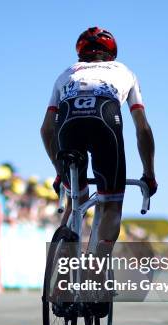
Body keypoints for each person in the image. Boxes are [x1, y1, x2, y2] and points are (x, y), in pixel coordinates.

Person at [40, 26, 157, 267]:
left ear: (80, 53)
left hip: (68, 122)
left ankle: (62, 265)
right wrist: (149, 174)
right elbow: (143, 129)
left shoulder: (66, 73)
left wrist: (60, 171)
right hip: (105, 117)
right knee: (111, 204)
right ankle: (97, 269)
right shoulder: (125, 71)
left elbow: (46, 130)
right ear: (112, 53)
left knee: (75, 198)